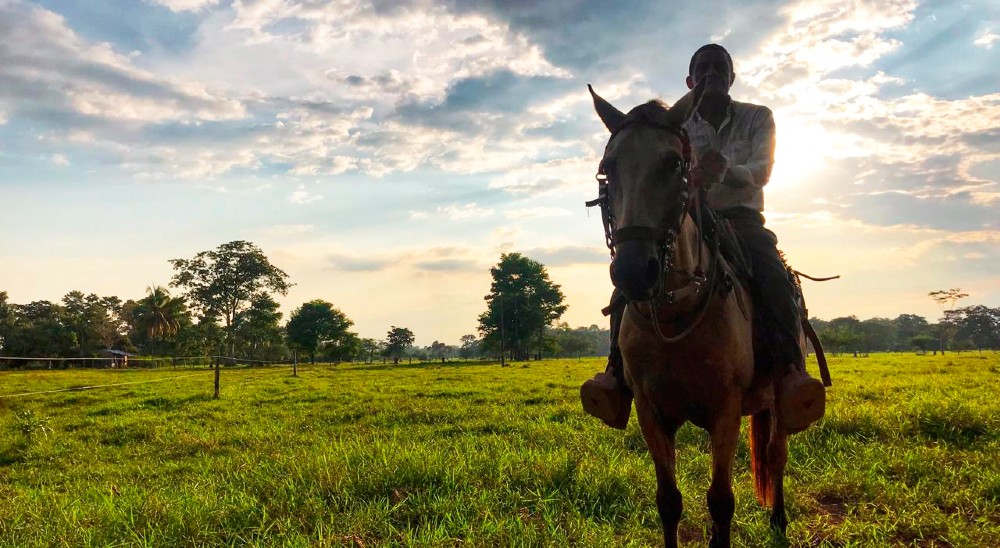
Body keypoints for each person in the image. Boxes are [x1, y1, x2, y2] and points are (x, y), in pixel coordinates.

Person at [581, 43, 825, 433]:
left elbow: (763, 169)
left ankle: (789, 374)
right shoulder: (676, 127)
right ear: (690, 81)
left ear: (731, 78)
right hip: (688, 218)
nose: (712, 73)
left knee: (773, 275)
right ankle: (616, 376)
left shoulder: (757, 117)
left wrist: (724, 169)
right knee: (629, 282)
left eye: (720, 67)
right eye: (703, 68)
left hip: (741, 218)